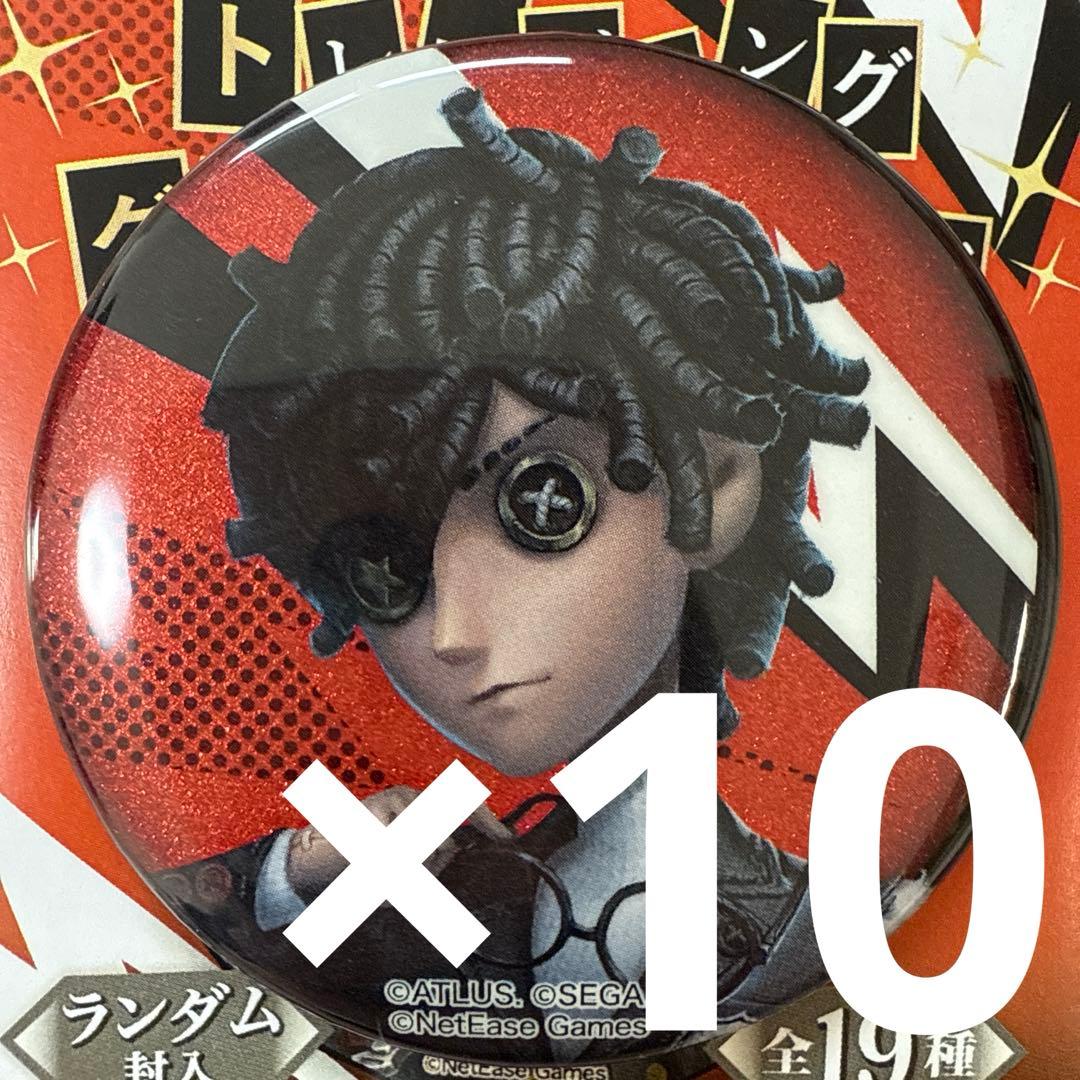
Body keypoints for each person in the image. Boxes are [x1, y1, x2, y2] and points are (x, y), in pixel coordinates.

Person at [157, 88, 872, 1061]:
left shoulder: (828, 937)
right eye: (386, 566)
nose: (453, 630)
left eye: (544, 505)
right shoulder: (428, 904)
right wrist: (302, 867)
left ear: (714, 480)